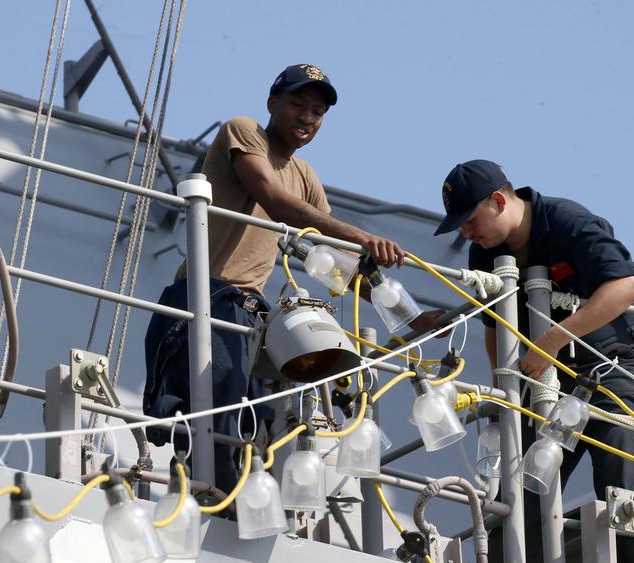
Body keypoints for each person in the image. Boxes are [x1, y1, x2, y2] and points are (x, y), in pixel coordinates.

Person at [144, 64, 436, 491]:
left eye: (318, 112)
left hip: (250, 315)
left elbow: (334, 263)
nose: (307, 118)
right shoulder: (243, 132)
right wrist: (364, 236)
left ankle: (241, 507)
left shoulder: (306, 177)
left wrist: (412, 319)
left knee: (255, 423)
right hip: (205, 298)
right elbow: (274, 200)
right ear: (271, 104)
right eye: (297, 104)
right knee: (218, 422)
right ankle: (214, 507)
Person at [433, 160, 634, 563]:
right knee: (519, 501)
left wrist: (553, 340)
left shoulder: (566, 221)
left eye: (470, 220)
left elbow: (627, 286)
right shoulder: (484, 253)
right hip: (543, 383)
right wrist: (505, 394)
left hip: (611, 371)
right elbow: (496, 325)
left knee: (624, 490)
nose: (467, 233)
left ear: (498, 201)